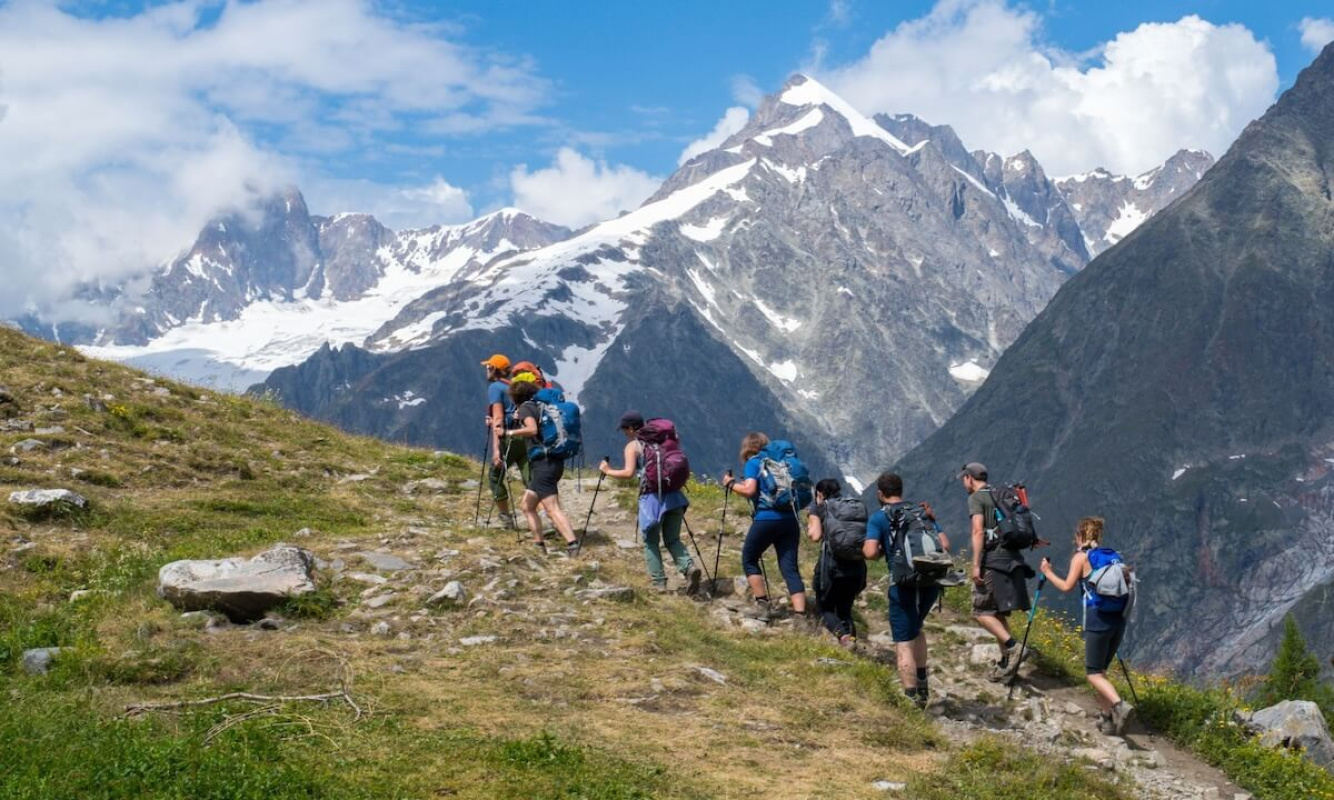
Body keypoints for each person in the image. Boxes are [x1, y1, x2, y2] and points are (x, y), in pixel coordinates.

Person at [1040, 517, 1135, 735]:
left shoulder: (1081, 557)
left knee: (1092, 674)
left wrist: (1047, 572)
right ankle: (1107, 720)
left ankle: (1119, 705)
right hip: (1118, 620)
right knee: (1101, 671)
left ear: (1080, 535)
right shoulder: (1113, 556)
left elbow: (1066, 587)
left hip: (1097, 619)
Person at [864, 472, 950, 707]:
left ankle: (911, 699)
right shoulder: (920, 512)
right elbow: (945, 545)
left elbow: (870, 552)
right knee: (917, 629)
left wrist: (885, 549)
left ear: (880, 494)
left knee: (903, 641)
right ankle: (922, 684)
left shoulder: (879, 518)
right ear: (901, 491)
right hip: (929, 582)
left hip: (902, 584)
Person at [600, 411, 702, 594]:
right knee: (673, 539)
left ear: (631, 428)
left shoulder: (633, 445)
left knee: (651, 542)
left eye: (624, 429)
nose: (624, 433)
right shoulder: (665, 440)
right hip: (675, 497)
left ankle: (659, 584)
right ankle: (688, 567)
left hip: (652, 499)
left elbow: (628, 473)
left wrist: (607, 471)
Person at [961, 462, 1032, 682]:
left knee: (981, 611)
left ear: (969, 478)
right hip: (1013, 559)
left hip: (993, 560)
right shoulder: (1001, 494)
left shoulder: (977, 498)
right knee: (998, 613)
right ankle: (1005, 664)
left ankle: (1013, 648)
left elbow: (977, 531)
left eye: (964, 479)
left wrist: (975, 564)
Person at [722, 432, 806, 619]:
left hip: (767, 519)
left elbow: (749, 490)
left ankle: (762, 606)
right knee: (789, 567)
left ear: (746, 448)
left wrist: (730, 483)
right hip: (790, 520)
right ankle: (801, 616)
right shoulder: (782, 464)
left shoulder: (754, 462)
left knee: (749, 559)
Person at [501, 378, 579, 556]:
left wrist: (509, 432)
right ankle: (539, 545)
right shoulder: (536, 406)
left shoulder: (527, 408)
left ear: (515, 397)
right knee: (527, 505)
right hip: (550, 462)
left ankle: (572, 544)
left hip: (544, 463)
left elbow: (532, 429)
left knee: (551, 508)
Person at [807, 478, 867, 647]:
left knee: (825, 607)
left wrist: (811, 518)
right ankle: (852, 640)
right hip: (856, 566)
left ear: (820, 493)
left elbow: (815, 535)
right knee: (845, 610)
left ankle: (843, 638)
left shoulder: (821, 508)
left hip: (832, 566)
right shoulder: (854, 508)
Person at [482, 354, 529, 528]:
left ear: (494, 369)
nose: (486, 370)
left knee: (495, 475)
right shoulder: (517, 386)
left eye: (488, 367)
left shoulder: (495, 388)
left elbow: (499, 418)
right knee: (531, 479)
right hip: (527, 435)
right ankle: (545, 517)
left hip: (509, 437)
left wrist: (496, 449)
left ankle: (505, 517)